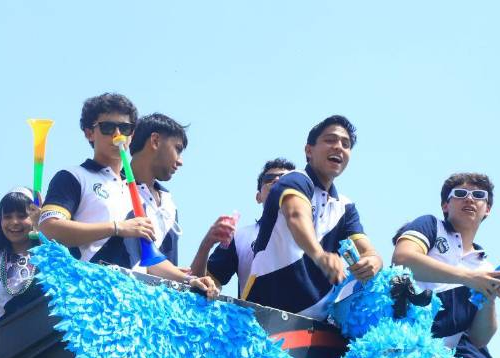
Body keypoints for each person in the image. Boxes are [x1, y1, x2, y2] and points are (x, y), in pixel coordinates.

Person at [39, 93, 217, 297]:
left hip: (133, 305)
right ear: (89, 133)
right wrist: (117, 228)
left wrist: (189, 279)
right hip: (89, 299)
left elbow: (150, 260)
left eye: (125, 128)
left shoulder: (138, 191)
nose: (118, 135)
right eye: (107, 128)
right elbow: (49, 228)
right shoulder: (73, 176)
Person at [248, 115, 382, 318]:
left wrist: (373, 261)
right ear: (308, 150)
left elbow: (368, 251)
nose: (338, 147)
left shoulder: (345, 207)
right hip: (265, 313)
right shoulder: (295, 179)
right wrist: (320, 256)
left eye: (345, 144)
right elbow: (295, 215)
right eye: (330, 140)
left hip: (315, 329)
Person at [392, 173, 500, 358]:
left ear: (487, 209)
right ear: (445, 205)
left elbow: (479, 339)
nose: (469, 198)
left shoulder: (486, 268)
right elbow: (402, 258)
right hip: (401, 344)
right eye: (460, 193)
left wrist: (489, 294)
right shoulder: (431, 225)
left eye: (479, 195)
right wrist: (470, 278)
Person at [191, 158, 296, 298]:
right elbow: (206, 280)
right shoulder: (240, 237)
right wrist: (206, 245)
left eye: (285, 179)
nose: (277, 181)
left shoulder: (318, 232)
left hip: (308, 320)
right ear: (258, 197)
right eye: (269, 179)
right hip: (253, 319)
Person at [128, 113, 188, 265]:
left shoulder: (169, 204)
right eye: (177, 149)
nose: (180, 161)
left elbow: (163, 267)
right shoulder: (112, 186)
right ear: (155, 141)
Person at [0, 188, 44, 322]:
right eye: (7, 217)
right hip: (10, 337)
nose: (14, 222)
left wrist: (43, 227)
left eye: (22, 216)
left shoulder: (51, 249)